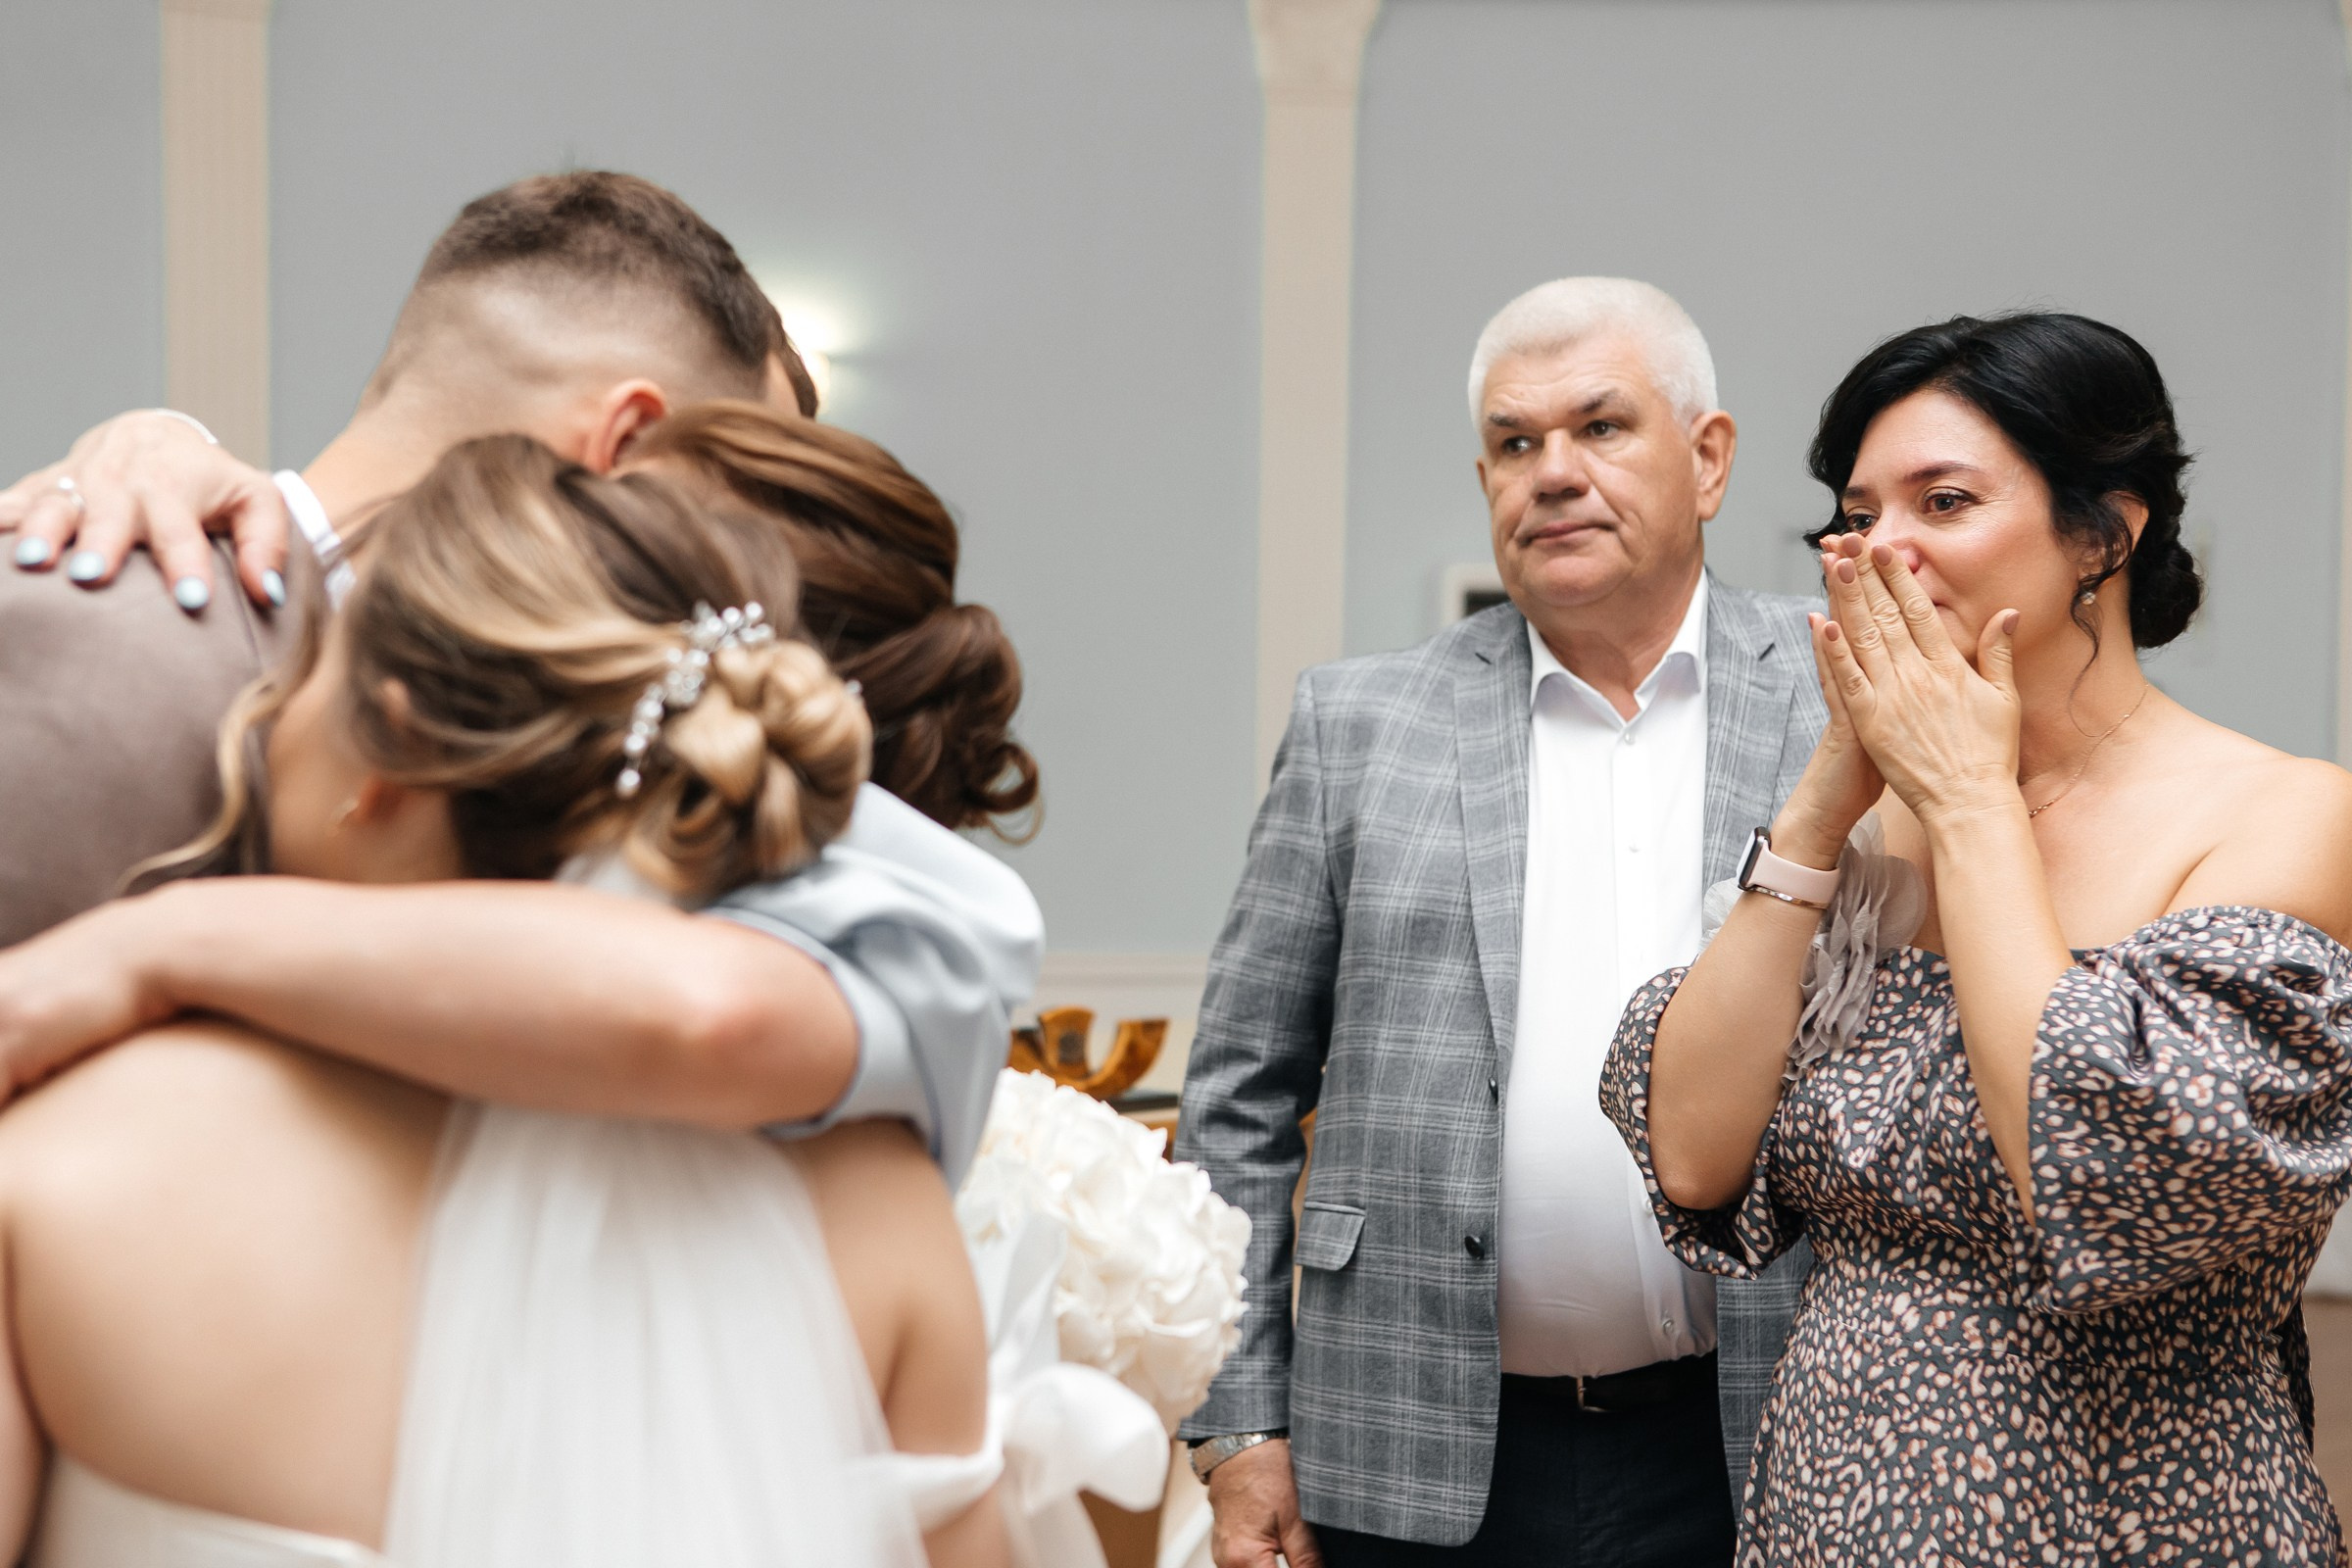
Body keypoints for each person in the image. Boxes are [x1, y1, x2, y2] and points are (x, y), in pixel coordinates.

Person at [0, 434, 1010, 1565]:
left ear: (389, 754)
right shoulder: (883, 1217)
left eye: (309, 667)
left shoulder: (63, 1164)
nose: (268, 711)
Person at [0, 172, 1038, 1190]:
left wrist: (167, 948)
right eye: (738, 501)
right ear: (625, 447)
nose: (736, 580)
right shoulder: (90, 625)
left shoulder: (612, 782)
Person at [1603, 312, 2352, 1565]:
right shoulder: (1874, 827)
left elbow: (2092, 1163)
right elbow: (1691, 1154)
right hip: (1831, 1507)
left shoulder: (2285, 814)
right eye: (1858, 514)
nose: (1880, 548)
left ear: (2105, 536)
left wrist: (1967, 796)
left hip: (2128, 1512)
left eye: (1942, 501)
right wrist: (1825, 801)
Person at [1176, 277, 1827, 1566]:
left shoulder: (1835, 698)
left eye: (1602, 427)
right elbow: (1237, 1096)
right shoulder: (1356, 724)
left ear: (1709, 460)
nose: (1554, 472)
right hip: (1407, 1443)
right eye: (1516, 443)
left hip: (1757, 1438)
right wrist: (1239, 1423)